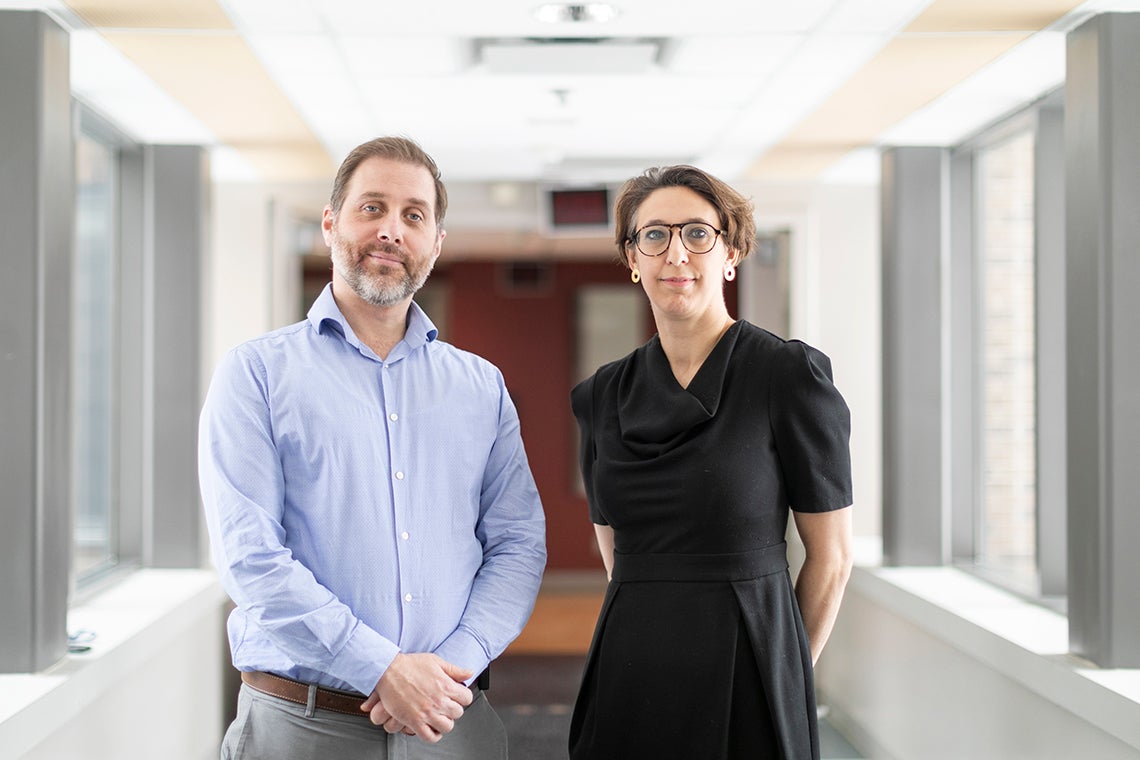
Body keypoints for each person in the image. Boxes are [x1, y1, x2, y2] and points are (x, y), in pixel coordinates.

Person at [199, 136, 547, 760]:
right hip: (301, 728)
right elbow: (250, 556)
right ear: (331, 222)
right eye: (372, 208)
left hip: (453, 725)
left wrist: (449, 668)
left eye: (414, 216)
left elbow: (518, 543)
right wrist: (383, 668)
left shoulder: (480, 387)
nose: (392, 230)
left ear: (435, 244)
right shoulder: (256, 374)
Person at [568, 165, 853, 759]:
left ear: (731, 253)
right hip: (633, 658)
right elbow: (615, 547)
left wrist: (784, 673)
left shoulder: (787, 375)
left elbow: (831, 559)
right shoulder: (601, 395)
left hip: (751, 661)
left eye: (697, 233)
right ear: (632, 259)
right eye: (654, 235)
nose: (676, 252)